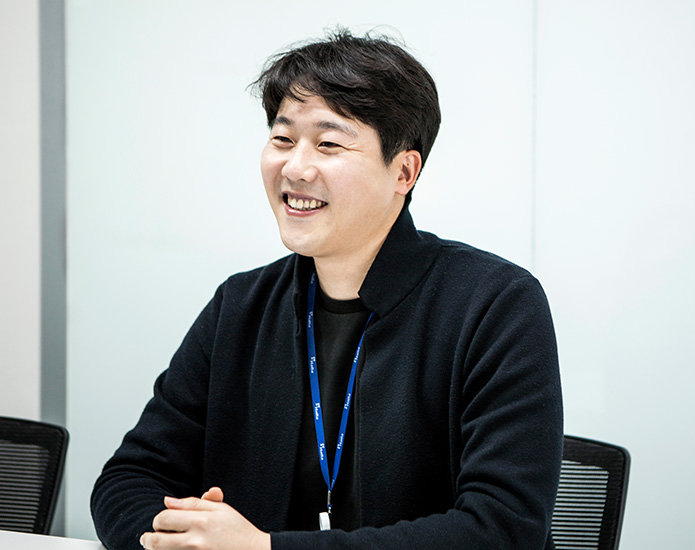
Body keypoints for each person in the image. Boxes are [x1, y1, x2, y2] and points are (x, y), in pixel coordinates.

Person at [91, 28, 563, 550]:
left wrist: (265, 549)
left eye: (329, 144)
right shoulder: (240, 307)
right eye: (283, 139)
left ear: (404, 171)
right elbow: (129, 479)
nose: (295, 167)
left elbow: (502, 528)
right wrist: (175, 543)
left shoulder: (495, 305)